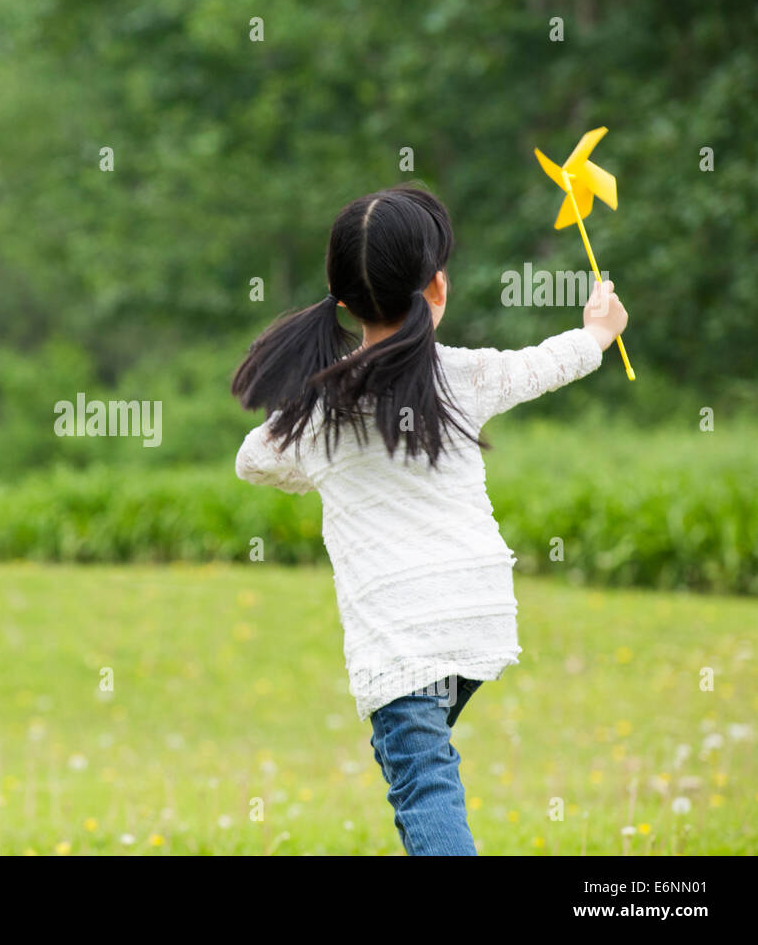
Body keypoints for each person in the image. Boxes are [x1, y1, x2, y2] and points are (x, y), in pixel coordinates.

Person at [230, 185, 628, 855]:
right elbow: (542, 366)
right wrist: (597, 332)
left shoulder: (323, 411)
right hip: (475, 610)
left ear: (341, 295)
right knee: (416, 771)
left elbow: (252, 460)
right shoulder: (463, 377)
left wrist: (324, 460)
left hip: (403, 634)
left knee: (424, 788)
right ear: (436, 288)